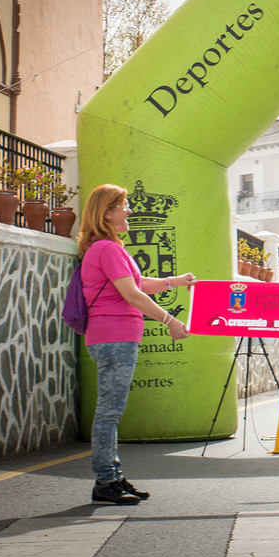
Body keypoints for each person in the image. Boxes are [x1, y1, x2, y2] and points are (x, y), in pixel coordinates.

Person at [78, 184, 196, 506]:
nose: (129, 210)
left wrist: (174, 282)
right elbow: (131, 295)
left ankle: (112, 476)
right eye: (124, 206)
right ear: (107, 213)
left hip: (114, 337)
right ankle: (106, 481)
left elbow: (137, 284)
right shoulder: (107, 249)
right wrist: (170, 321)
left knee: (111, 411)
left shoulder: (107, 248)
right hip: (114, 338)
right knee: (109, 413)